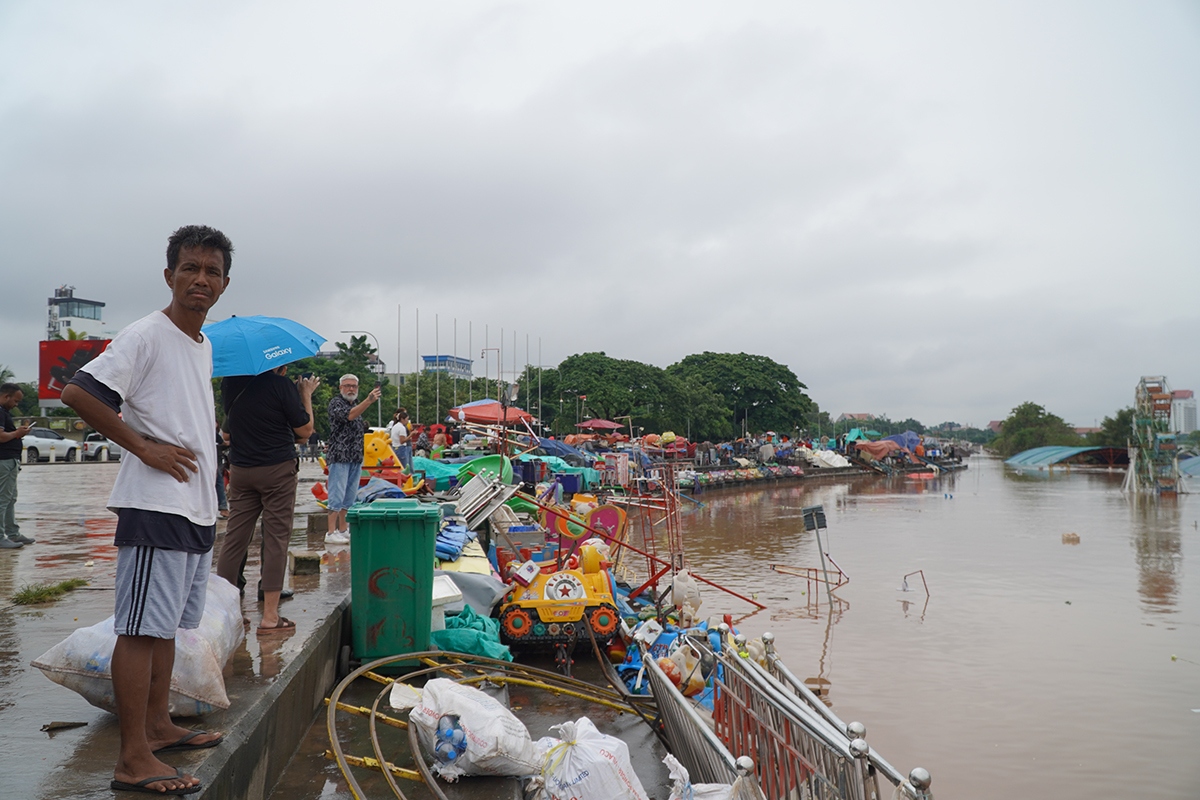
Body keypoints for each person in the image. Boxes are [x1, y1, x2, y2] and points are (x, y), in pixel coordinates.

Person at [62, 225, 233, 795]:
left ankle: (158, 726)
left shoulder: (202, 344)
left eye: (211, 271)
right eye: (190, 268)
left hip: (194, 508)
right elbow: (80, 392)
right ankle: (132, 758)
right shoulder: (147, 334)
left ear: (224, 284)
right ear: (169, 276)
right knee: (138, 630)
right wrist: (144, 447)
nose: (200, 280)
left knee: (164, 630)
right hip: (155, 506)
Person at [216, 365, 317, 633]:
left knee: (235, 538)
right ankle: (271, 616)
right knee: (275, 538)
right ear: (279, 365)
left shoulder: (230, 383)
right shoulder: (280, 386)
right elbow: (305, 430)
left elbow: (228, 433)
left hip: (240, 470)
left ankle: (227, 612)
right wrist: (304, 394)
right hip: (277, 470)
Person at [324, 374, 379, 544]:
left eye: (354, 386)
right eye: (347, 385)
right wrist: (368, 401)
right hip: (340, 456)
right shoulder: (336, 404)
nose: (351, 389)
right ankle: (330, 532)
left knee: (349, 496)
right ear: (340, 388)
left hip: (355, 457)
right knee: (336, 493)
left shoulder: (355, 404)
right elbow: (349, 416)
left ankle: (343, 529)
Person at [0, 383, 35, 549]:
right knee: (3, 499)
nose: (16, 405)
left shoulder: (4, 412)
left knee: (10, 498)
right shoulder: (0, 412)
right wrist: (17, 434)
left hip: (9, 461)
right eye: (15, 400)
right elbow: (0, 437)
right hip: (4, 461)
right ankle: (1, 536)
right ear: (6, 396)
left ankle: (12, 533)